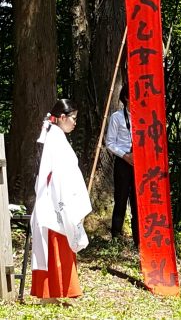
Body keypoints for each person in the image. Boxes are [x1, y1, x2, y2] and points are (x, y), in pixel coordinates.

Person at [31, 99, 92, 304]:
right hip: (56, 200)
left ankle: (53, 292)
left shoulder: (56, 137)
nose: (75, 123)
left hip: (60, 198)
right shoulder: (55, 138)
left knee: (60, 248)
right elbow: (56, 174)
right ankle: (48, 294)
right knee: (55, 247)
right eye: (73, 118)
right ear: (63, 118)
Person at [105, 83, 139, 246]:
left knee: (137, 201)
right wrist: (126, 156)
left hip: (140, 163)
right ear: (126, 97)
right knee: (121, 198)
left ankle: (138, 239)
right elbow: (109, 143)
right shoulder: (117, 117)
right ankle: (116, 236)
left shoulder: (142, 116)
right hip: (123, 162)